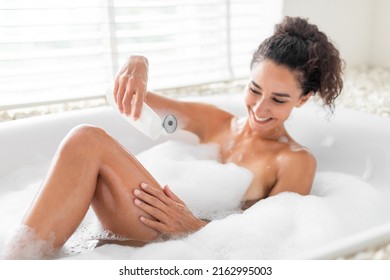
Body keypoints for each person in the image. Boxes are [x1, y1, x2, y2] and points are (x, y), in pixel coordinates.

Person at [2, 16, 343, 259]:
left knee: (86, 139)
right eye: (254, 89)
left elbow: (270, 243)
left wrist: (193, 226)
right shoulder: (219, 123)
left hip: (192, 243)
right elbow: (138, 99)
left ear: (303, 99)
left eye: (279, 99)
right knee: (85, 142)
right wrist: (139, 62)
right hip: (162, 225)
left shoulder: (296, 160)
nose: (260, 107)